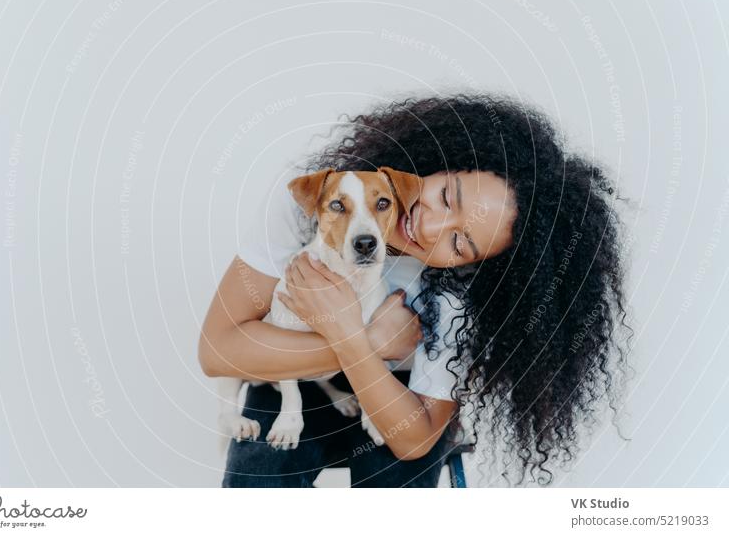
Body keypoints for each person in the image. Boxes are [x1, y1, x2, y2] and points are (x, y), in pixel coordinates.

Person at [198, 93, 633, 487]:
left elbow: (414, 440)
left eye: (460, 243)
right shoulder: (323, 200)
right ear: (441, 158)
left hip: (403, 394)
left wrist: (353, 343)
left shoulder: (462, 295)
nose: (426, 226)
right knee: (259, 476)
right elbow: (218, 351)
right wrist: (365, 341)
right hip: (288, 376)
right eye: (446, 196)